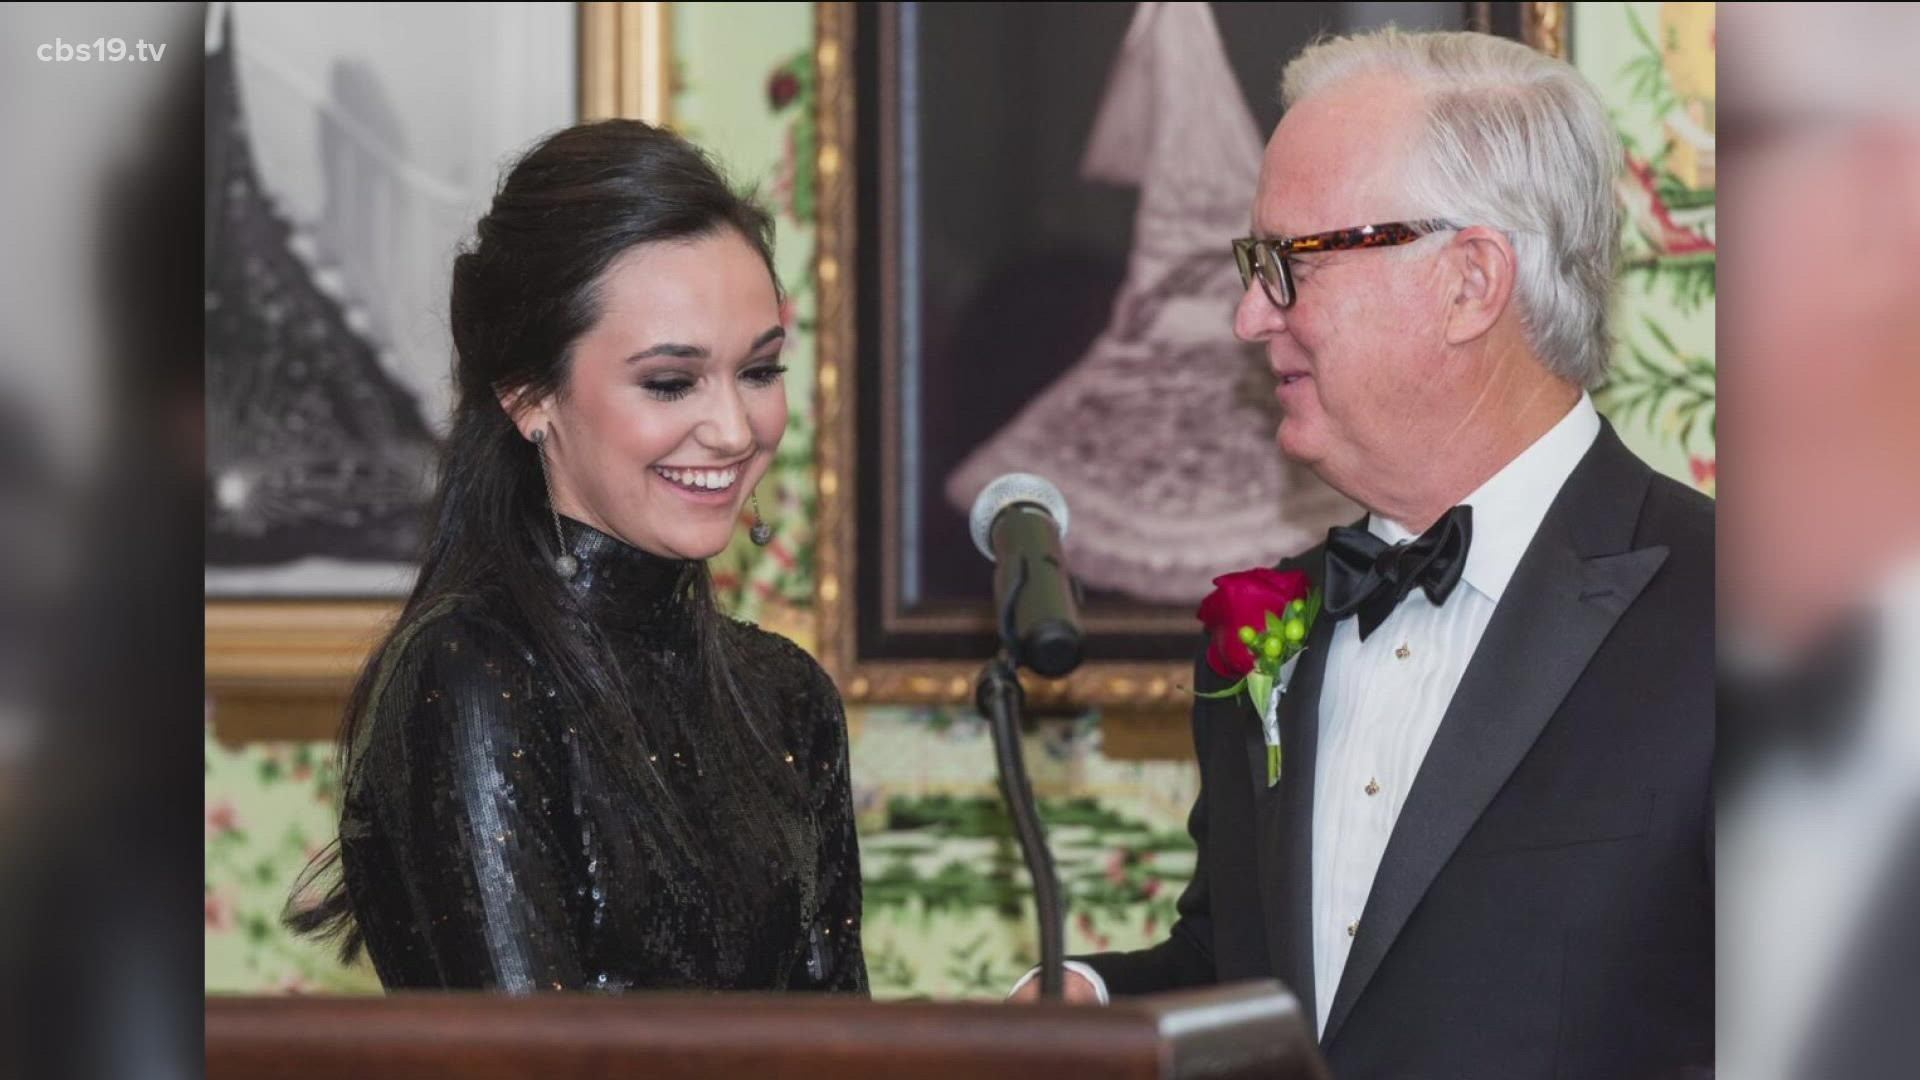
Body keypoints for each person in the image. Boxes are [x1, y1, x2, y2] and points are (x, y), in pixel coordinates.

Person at [1010, 28, 1712, 1079]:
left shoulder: (1748, 616)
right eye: (1257, 266)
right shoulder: (1262, 627)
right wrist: (1095, 1001)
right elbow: (1259, 977)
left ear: (1470, 282)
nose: (1251, 315)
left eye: (1293, 263)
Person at [285, 120, 867, 995]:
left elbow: (843, 1042)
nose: (736, 430)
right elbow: (531, 1053)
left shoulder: (788, 698)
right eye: (671, 381)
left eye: (760, 371)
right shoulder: (473, 670)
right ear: (529, 396)